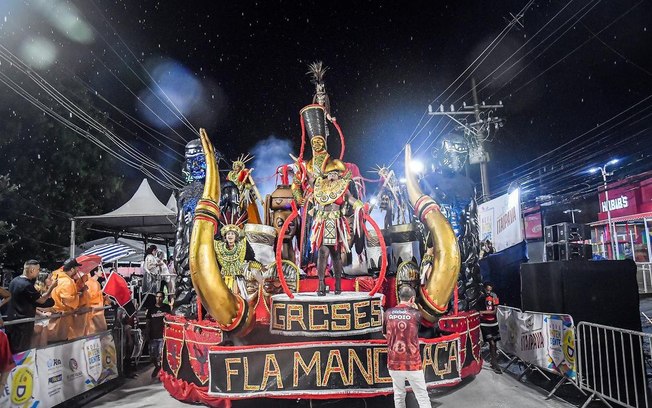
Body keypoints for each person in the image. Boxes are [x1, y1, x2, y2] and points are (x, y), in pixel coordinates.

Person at [311, 159, 364, 295]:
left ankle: (338, 284)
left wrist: (358, 204)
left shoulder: (343, 187)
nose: (332, 175)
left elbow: (350, 198)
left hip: (336, 224)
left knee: (336, 255)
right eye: (329, 173)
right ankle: (321, 284)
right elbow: (310, 179)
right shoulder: (319, 186)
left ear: (340, 174)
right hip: (322, 223)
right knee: (322, 253)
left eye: (335, 173)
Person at [384, 286, 430, 408]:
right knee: (422, 396)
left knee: (399, 394)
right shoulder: (416, 314)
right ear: (412, 299)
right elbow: (418, 332)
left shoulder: (388, 313)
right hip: (412, 362)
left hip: (394, 362)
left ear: (399, 297)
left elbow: (385, 334)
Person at [6, 260, 57, 353]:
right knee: (21, 350)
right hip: (22, 323)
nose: (38, 272)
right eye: (38, 270)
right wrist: (51, 288)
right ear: (32, 270)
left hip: (14, 320)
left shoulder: (15, 280)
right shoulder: (26, 285)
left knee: (14, 349)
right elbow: (41, 301)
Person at [49, 258, 86, 342]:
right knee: (61, 341)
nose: (77, 271)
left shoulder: (57, 278)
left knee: (56, 341)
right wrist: (78, 296)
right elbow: (67, 301)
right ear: (72, 269)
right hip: (63, 316)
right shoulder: (66, 281)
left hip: (57, 314)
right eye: (77, 269)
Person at [214, 224, 256, 296]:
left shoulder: (242, 246)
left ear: (236, 236)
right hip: (223, 279)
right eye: (228, 234)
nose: (230, 236)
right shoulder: (220, 248)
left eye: (232, 234)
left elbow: (251, 259)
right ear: (225, 236)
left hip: (238, 281)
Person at [145, 291, 171, 379]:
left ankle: (162, 371)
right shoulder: (151, 309)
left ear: (163, 298)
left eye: (160, 297)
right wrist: (147, 333)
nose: (158, 299)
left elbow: (170, 319)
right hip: (153, 335)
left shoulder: (166, 308)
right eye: (157, 297)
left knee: (161, 354)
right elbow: (148, 322)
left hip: (162, 335)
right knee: (153, 356)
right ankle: (157, 367)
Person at [480, 281, 502, 373]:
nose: (489, 291)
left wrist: (483, 312)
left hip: (493, 322)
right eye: (487, 289)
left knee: (495, 343)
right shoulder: (481, 297)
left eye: (490, 289)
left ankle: (493, 361)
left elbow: (494, 311)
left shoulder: (494, 296)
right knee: (491, 343)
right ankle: (495, 363)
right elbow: (478, 308)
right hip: (484, 323)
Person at [85, 269, 109, 335]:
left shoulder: (96, 283)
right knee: (96, 330)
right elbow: (89, 297)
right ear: (95, 272)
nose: (101, 272)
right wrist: (102, 292)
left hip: (98, 310)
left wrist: (104, 297)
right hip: (94, 311)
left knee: (100, 330)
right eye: (100, 270)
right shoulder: (90, 283)